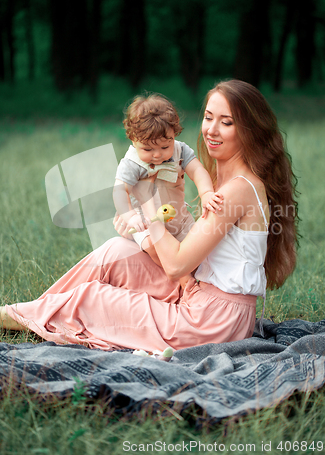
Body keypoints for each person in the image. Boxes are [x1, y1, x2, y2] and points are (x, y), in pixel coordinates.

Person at [0, 80, 298, 352]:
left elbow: (176, 264)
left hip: (211, 321)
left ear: (250, 130)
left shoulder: (236, 191)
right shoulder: (222, 184)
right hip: (196, 291)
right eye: (208, 117)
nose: (211, 130)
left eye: (227, 122)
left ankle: (18, 316)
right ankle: (28, 312)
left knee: (91, 298)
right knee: (114, 252)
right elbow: (186, 261)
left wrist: (149, 213)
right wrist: (139, 228)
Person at [113, 93, 222, 265]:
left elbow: (197, 171)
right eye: (148, 149)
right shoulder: (131, 163)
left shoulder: (181, 151)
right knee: (153, 246)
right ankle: (179, 278)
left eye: (165, 146)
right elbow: (120, 191)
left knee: (199, 247)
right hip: (146, 222)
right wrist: (131, 217)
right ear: (133, 140)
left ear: (174, 134)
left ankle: (194, 275)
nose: (157, 155)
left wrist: (206, 192)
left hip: (178, 217)